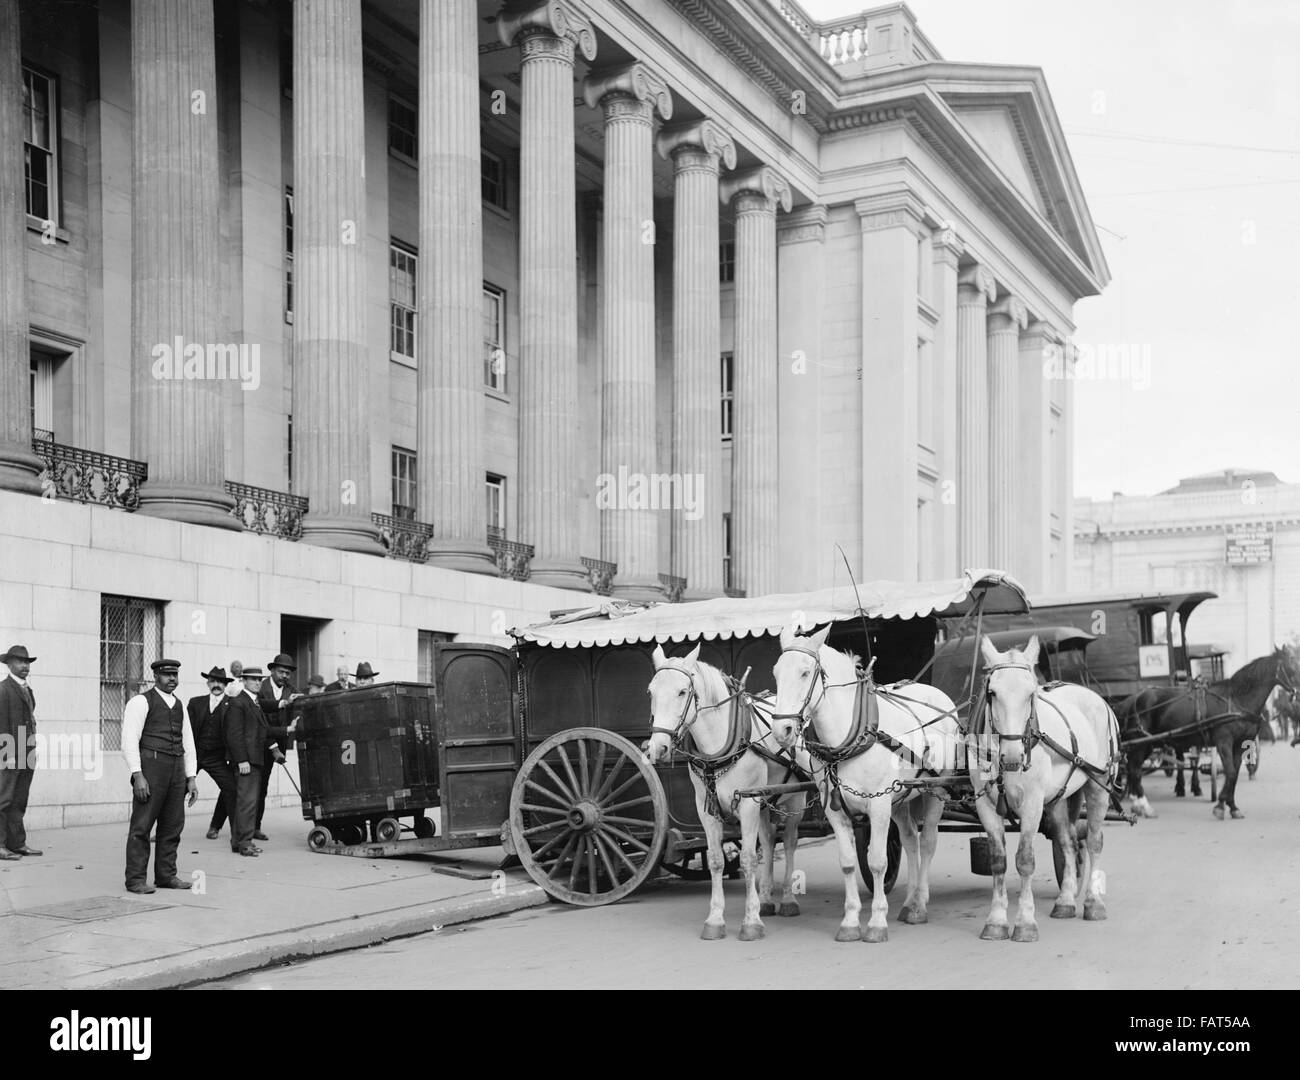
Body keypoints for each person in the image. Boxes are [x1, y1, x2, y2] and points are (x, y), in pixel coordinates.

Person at [122, 659, 197, 894]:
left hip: (176, 770)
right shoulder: (141, 701)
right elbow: (129, 741)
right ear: (156, 677)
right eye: (166, 675)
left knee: (172, 826)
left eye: (175, 674)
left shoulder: (180, 705)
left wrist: (191, 777)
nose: (172, 679)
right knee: (142, 826)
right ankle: (135, 879)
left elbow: (189, 743)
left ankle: (166, 876)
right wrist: (138, 775)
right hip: (152, 767)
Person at [226, 666, 278, 856]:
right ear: (244, 681)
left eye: (259, 679)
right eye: (252, 679)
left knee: (247, 802)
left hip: (254, 759)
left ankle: (238, 841)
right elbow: (234, 734)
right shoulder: (239, 702)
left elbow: (263, 731)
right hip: (247, 761)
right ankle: (245, 843)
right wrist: (242, 760)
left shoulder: (253, 702)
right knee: (247, 802)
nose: (257, 682)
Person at [187, 667, 237, 843]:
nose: (216, 685)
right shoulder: (195, 703)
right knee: (176, 791)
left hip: (218, 757)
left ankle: (225, 830)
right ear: (208, 683)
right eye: (213, 681)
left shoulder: (233, 703)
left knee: (231, 789)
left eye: (220, 682)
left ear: (225, 685)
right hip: (195, 755)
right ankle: (164, 832)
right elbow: (186, 731)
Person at [0, 645, 41, 859]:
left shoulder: (27, 689)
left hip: (28, 752)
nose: (24, 665)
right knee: (3, 799)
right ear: (8, 664)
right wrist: (8, 753)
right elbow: (2, 725)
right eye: (19, 661)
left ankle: (17, 843)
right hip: (10, 752)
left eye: (27, 662)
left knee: (19, 799)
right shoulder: (3, 689)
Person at [254, 654, 300, 840]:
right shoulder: (260, 687)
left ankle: (255, 827)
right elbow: (260, 708)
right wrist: (283, 703)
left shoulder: (291, 690)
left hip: (276, 745)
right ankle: (221, 825)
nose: (284, 676)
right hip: (257, 743)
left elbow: (296, 710)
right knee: (246, 787)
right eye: (281, 672)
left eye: (287, 673)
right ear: (272, 671)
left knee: (262, 787)